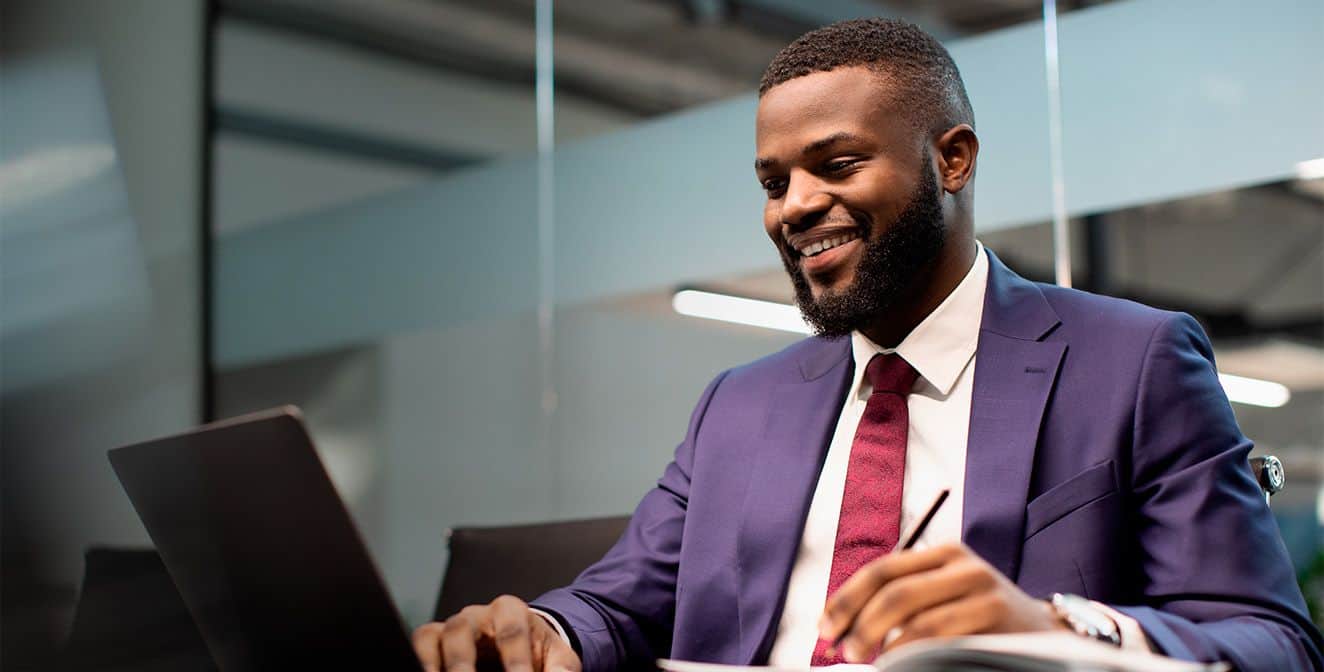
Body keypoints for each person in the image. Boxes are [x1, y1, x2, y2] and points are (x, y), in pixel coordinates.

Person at [413, 18, 1323, 672]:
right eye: (775, 180)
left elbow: (1271, 641)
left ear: (952, 159)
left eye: (836, 164)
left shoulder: (1134, 360)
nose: (795, 204)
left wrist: (1057, 631)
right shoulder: (740, 404)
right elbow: (617, 603)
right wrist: (540, 633)